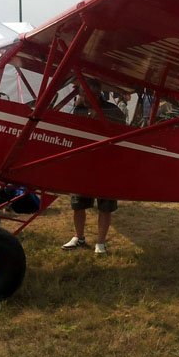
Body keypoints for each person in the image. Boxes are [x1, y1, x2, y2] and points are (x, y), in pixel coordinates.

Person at [62, 80, 125, 254]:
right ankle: (79, 237)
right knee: (78, 204)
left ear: (100, 93)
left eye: (94, 93)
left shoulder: (114, 111)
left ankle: (101, 243)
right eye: (85, 93)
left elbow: (122, 132)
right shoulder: (78, 110)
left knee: (105, 205)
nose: (89, 96)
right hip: (83, 164)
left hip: (106, 164)